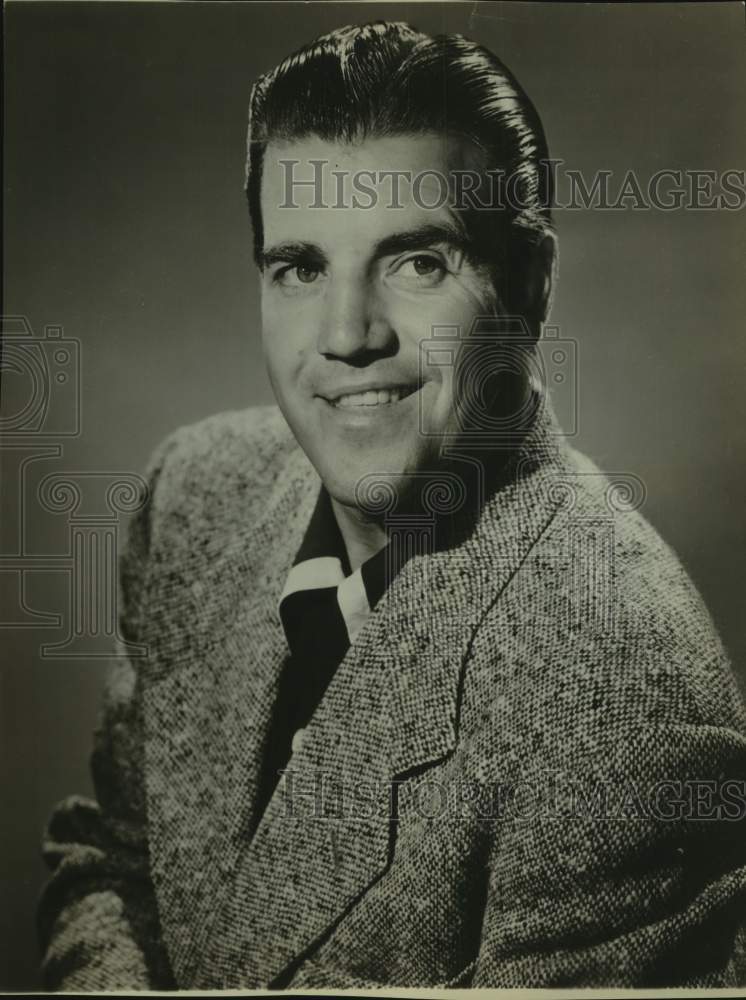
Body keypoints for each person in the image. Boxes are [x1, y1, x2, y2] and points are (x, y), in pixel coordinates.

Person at [38, 21, 746, 990]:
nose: (345, 335)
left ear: (529, 284)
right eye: (299, 267)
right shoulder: (192, 494)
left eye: (416, 262)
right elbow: (112, 858)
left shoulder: (619, 689)